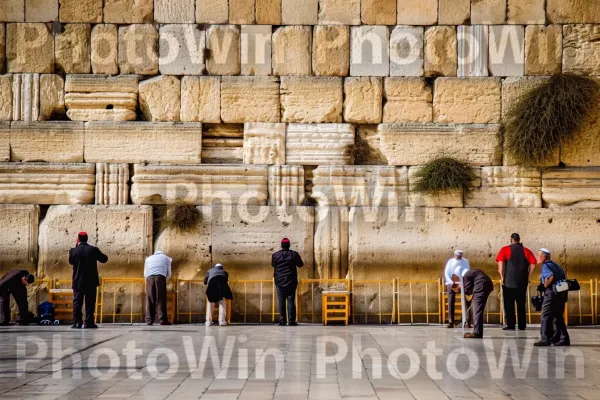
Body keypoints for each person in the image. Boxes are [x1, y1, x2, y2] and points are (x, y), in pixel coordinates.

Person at [496, 233, 537, 331]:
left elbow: (500, 265)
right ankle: (522, 325)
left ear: (511, 239)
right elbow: (533, 263)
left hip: (508, 282)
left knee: (509, 304)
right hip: (522, 282)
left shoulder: (505, 249)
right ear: (519, 239)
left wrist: (502, 277)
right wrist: (528, 274)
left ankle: (511, 325)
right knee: (521, 304)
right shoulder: (526, 251)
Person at [69, 232, 108, 329]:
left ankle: (77, 322)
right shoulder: (93, 249)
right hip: (91, 282)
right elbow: (104, 259)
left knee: (77, 302)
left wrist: (76, 247)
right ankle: (89, 322)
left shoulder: (73, 251)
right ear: (87, 239)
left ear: (78, 239)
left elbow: (71, 261)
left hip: (78, 281)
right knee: (90, 302)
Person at [534, 249, 570, 347]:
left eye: (538, 255)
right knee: (558, 316)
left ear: (544, 257)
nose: (537, 257)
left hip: (551, 294)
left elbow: (551, 277)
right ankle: (563, 338)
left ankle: (545, 339)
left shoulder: (546, 266)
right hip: (561, 294)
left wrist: (544, 285)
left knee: (545, 315)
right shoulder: (557, 266)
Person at [272, 238, 304, 326]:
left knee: (281, 301)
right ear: (289, 245)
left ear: (281, 245)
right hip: (291, 281)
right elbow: (300, 264)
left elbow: (273, 265)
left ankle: (282, 321)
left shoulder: (275, 255)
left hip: (279, 281)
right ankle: (291, 321)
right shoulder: (294, 254)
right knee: (290, 301)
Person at [458, 268, 494, 339]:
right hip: (488, 284)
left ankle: (477, 333)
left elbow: (467, 289)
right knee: (479, 309)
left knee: (477, 310)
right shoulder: (472, 272)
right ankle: (478, 331)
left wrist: (458, 290)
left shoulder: (466, 276)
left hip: (480, 285)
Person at [444, 250, 472, 328]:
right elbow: (447, 273)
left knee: (467, 301)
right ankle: (451, 322)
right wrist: (450, 282)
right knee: (450, 301)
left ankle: (468, 321)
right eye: (457, 256)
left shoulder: (465, 261)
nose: (459, 257)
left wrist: (464, 283)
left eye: (460, 256)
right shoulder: (450, 262)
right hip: (452, 283)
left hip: (462, 283)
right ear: (454, 255)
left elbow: (467, 272)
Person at [144, 250, 172, 326]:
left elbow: (145, 273)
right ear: (162, 253)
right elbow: (169, 274)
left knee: (150, 299)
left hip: (149, 278)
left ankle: (149, 320)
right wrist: (163, 280)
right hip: (160, 277)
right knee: (161, 299)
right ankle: (163, 320)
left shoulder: (148, 259)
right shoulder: (166, 258)